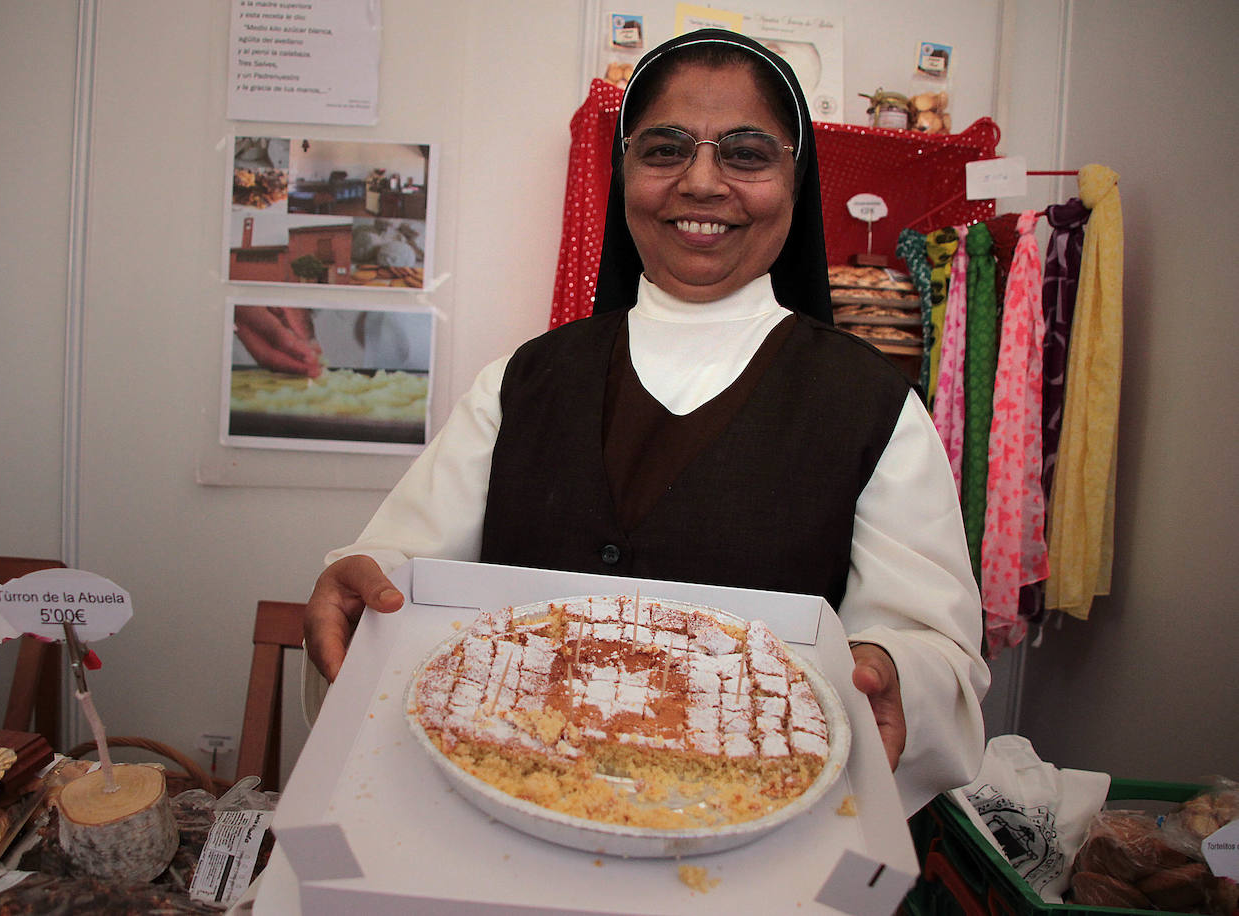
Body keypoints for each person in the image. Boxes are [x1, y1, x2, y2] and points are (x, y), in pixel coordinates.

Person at [303, 29, 989, 814]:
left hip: (750, 864)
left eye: (746, 153)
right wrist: (357, 582)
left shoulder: (872, 407)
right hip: (512, 828)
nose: (701, 182)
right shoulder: (521, 383)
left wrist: (894, 669)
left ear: (794, 183)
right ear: (624, 170)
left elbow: (938, 658)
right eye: (664, 149)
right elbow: (401, 579)